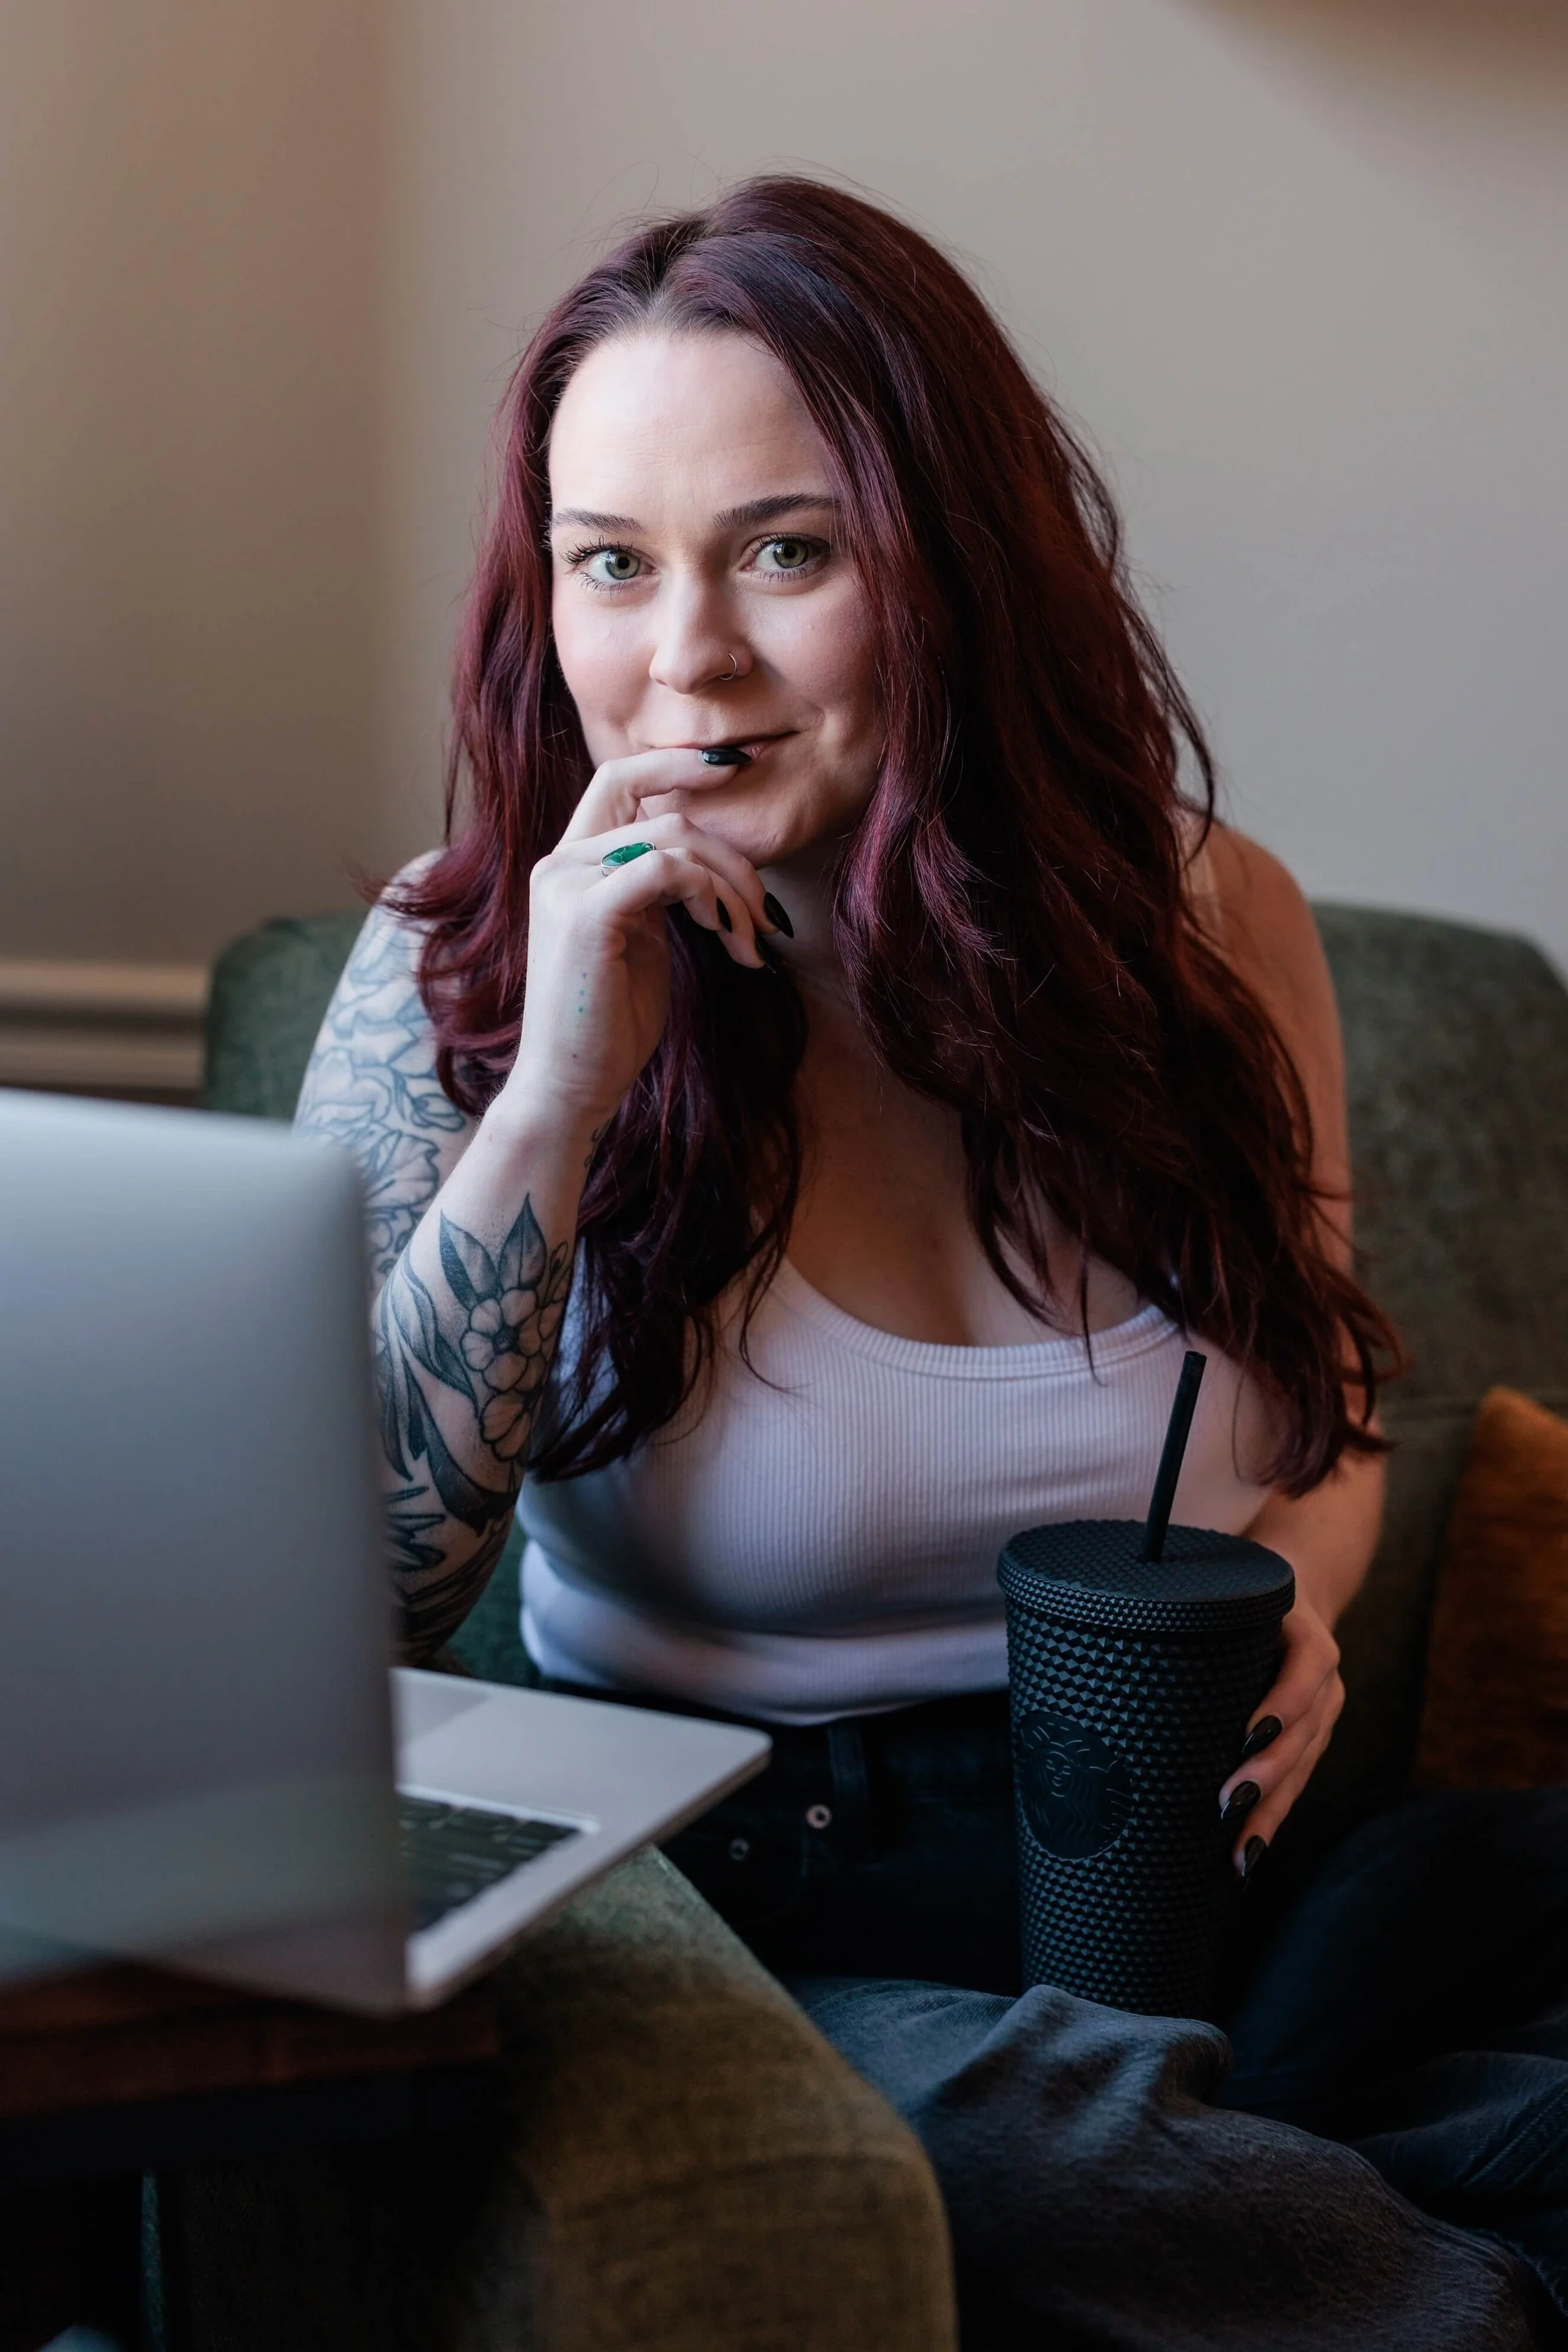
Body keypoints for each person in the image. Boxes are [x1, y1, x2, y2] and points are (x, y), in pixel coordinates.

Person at [295, 178, 1568, 2345]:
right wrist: (560, 1096)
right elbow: (342, 1591)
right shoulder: (464, 967)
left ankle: (1259, 2192)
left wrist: (1318, 1610)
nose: (682, 652)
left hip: (1189, 1863)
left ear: (949, 567)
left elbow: (1322, 1403)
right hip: (741, 1903)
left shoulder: (1206, 923)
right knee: (1020, 2140)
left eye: (784, 551)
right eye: (612, 564)